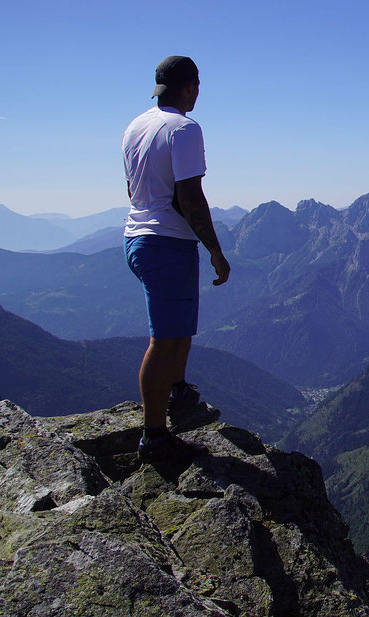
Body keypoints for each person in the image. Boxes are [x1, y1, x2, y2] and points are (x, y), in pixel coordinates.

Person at [122, 55, 231, 461]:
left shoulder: (135, 127)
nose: (198, 92)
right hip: (165, 243)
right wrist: (215, 250)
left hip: (138, 236)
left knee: (180, 327)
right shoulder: (185, 129)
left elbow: (131, 187)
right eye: (197, 86)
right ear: (189, 87)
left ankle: (178, 390)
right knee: (164, 340)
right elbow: (190, 197)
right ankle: (154, 435)